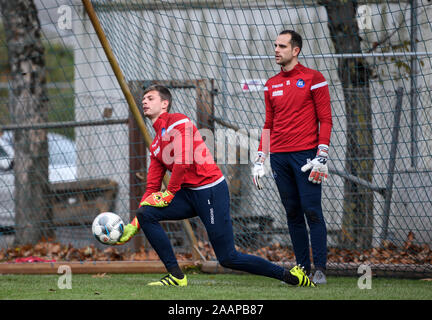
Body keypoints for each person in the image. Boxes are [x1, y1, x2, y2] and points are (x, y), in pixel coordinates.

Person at [116, 84, 315, 287]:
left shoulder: (179, 122)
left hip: (211, 191)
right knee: (146, 213)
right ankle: (176, 276)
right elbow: (151, 189)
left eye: (150, 98)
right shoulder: (157, 143)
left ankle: (290, 276)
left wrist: (169, 192)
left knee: (228, 258)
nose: (144, 101)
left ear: (164, 104)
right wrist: (133, 225)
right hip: (187, 194)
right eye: (144, 98)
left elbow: (183, 160)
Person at [252, 30, 333, 284]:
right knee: (292, 213)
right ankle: (301, 267)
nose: (276, 50)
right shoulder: (271, 83)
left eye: (282, 46)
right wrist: (259, 157)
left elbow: (326, 119)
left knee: (312, 211)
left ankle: (319, 268)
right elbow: (268, 124)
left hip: (306, 158)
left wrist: (322, 153)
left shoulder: (314, 78)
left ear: (295, 50)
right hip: (279, 158)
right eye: (275, 45)